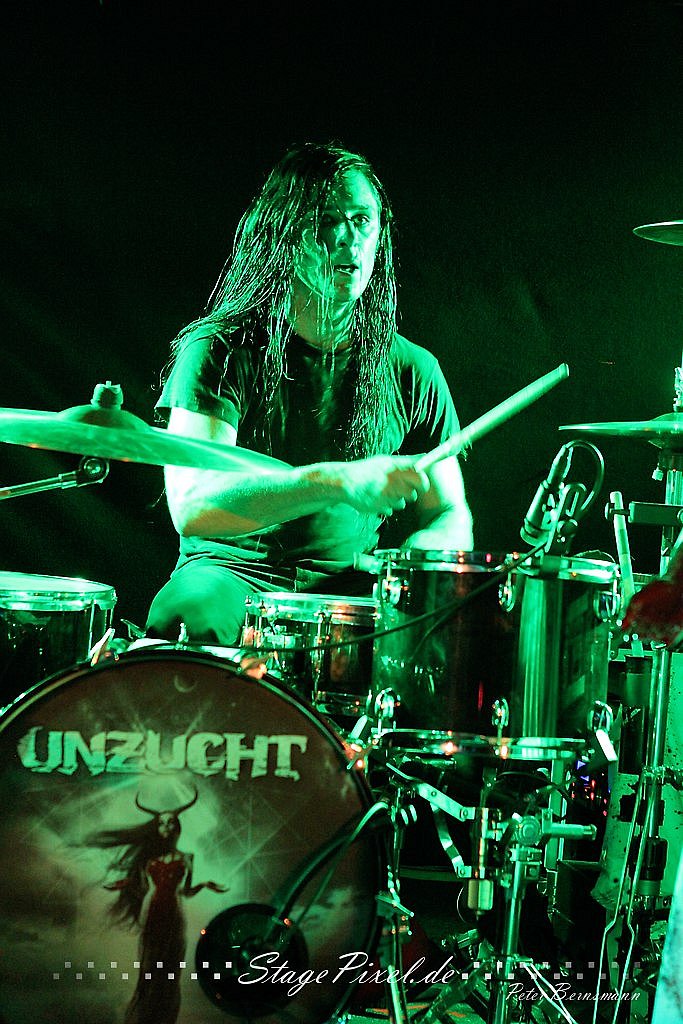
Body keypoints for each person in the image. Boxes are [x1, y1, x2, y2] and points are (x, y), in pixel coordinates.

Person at [146, 142, 473, 646]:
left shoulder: (414, 369)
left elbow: (450, 514)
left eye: (362, 221)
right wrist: (336, 481)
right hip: (231, 575)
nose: (348, 239)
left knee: (434, 634)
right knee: (190, 612)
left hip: (352, 588)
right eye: (327, 220)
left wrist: (417, 556)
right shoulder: (220, 349)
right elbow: (192, 505)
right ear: (284, 233)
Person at [89, 791, 226, 1024]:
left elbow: (185, 891)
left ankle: (165, 1016)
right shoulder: (148, 859)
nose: (166, 827)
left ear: (177, 827)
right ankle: (148, 1015)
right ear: (157, 828)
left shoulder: (187, 857)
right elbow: (144, 888)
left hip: (174, 912)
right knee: (151, 965)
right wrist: (125, 884)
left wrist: (204, 885)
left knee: (170, 965)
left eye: (170, 823)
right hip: (152, 910)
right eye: (162, 823)